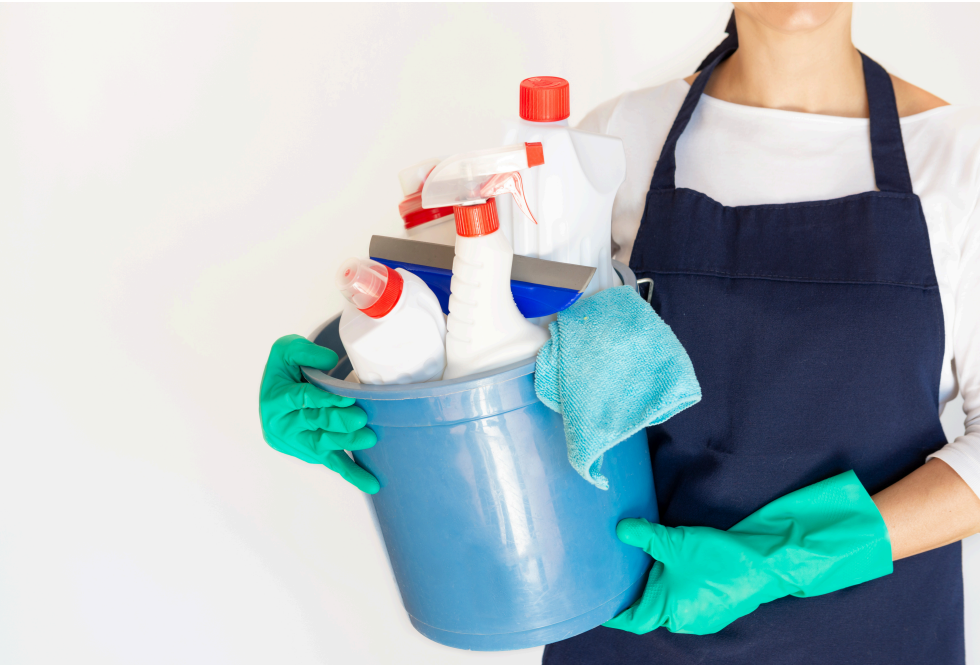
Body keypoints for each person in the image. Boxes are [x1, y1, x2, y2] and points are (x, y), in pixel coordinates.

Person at [259, 3, 980, 663]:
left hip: (876, 635)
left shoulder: (959, 161)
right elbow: (494, 342)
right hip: (632, 625)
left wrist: (780, 559)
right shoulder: (612, 141)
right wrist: (347, 373)